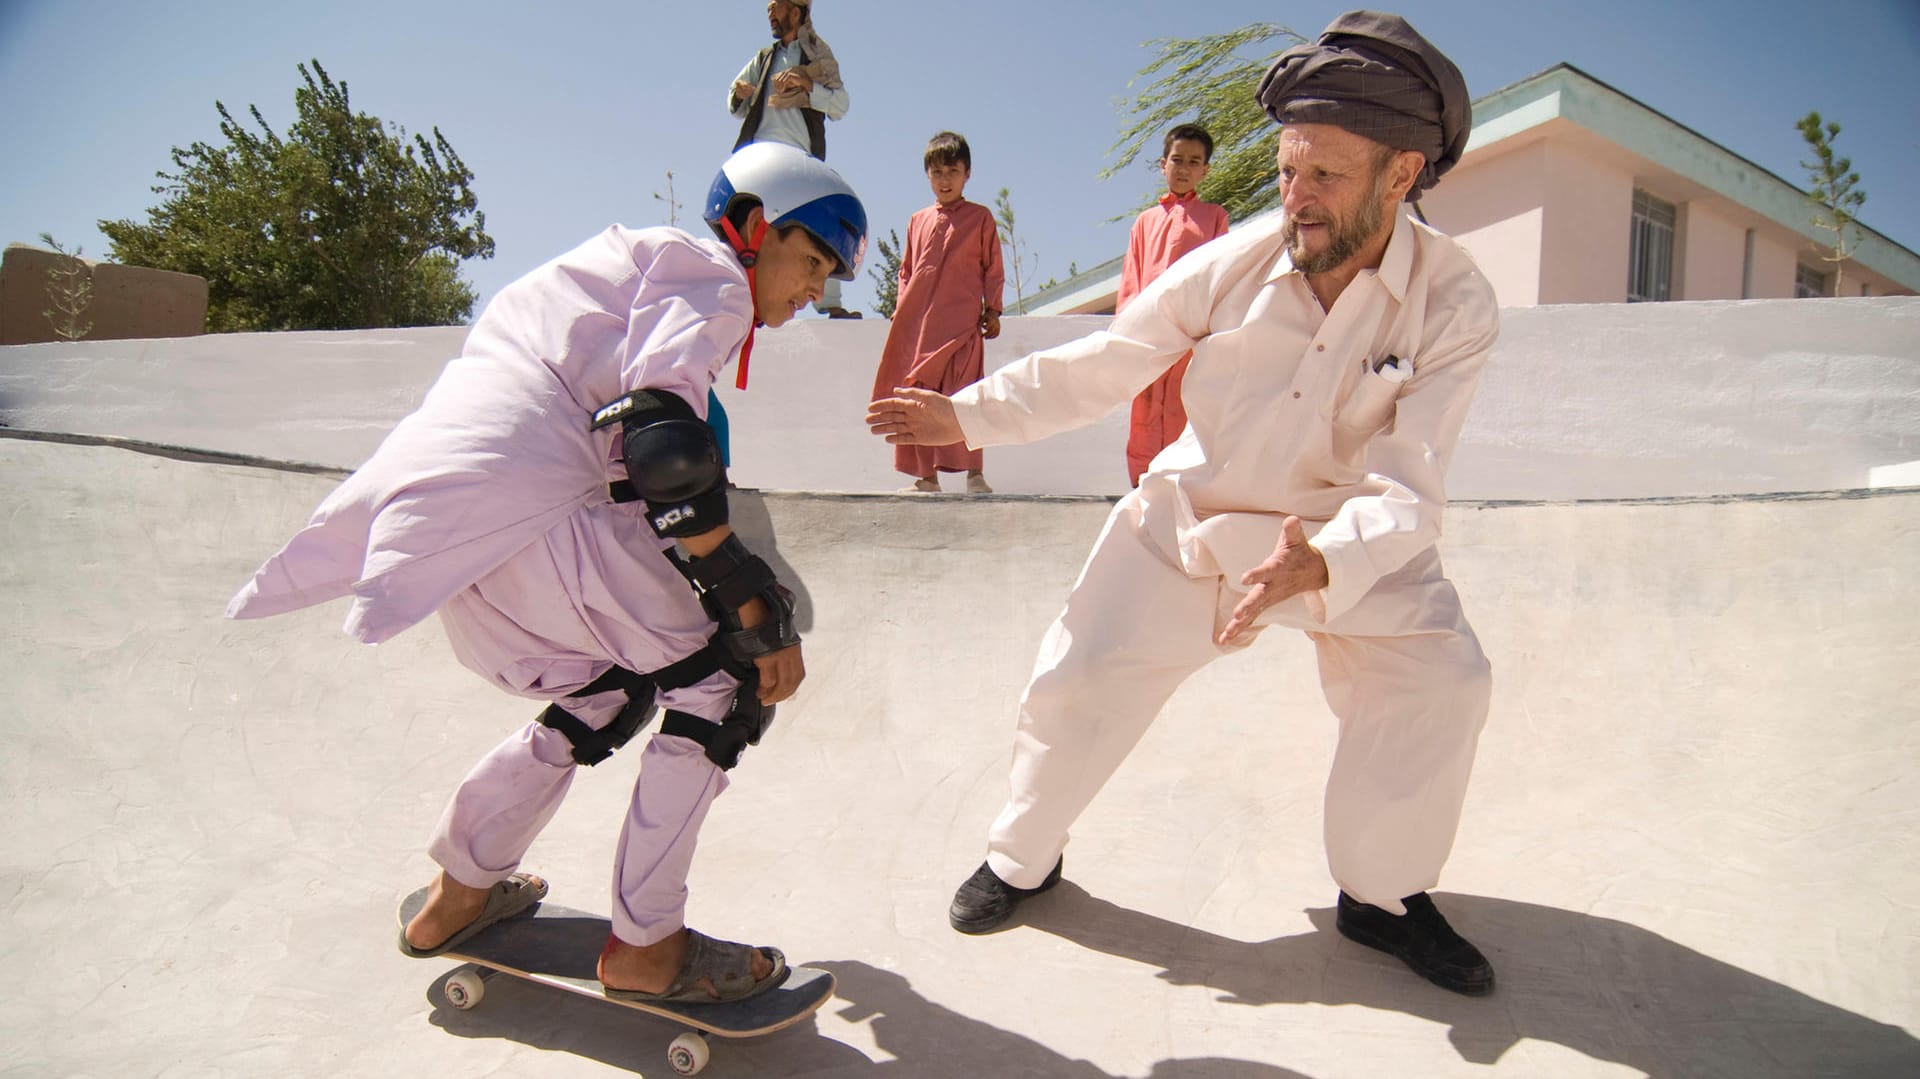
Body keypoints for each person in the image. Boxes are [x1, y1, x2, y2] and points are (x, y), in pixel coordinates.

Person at [866, 11, 1500, 996]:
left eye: (1326, 175)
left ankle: (1381, 895)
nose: (1298, 197)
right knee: (1077, 676)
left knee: (1443, 679)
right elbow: (1113, 357)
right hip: (1195, 519)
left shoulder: (1456, 301)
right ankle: (1021, 859)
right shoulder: (1239, 258)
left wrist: (1326, 560)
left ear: (1404, 174)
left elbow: (1412, 484)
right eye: (1289, 171)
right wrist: (964, 415)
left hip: (1346, 542)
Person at [228, 142, 867, 1004]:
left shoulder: (602, 275)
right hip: (540, 517)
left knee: (603, 691)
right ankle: (649, 947)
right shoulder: (711, 273)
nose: (815, 289)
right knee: (725, 680)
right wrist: (745, 593)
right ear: (755, 227)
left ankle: (457, 893)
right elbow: (662, 444)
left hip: (458, 545)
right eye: (813, 259)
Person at [871, 131, 1005, 494]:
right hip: (922, 331)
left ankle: (974, 475)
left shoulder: (980, 218)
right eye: (937, 172)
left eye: (952, 171)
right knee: (918, 399)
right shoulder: (918, 220)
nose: (945, 180)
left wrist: (993, 309)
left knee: (967, 398)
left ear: (967, 174)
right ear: (927, 175)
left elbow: (993, 267)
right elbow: (907, 272)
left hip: (963, 326)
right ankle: (926, 477)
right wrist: (903, 316)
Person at [729, 0, 857, 318]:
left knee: (815, 231)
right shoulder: (764, 58)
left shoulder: (817, 55)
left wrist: (807, 85)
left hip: (798, 162)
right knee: (743, 225)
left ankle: (830, 304)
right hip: (759, 159)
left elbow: (840, 104)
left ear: (796, 12)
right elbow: (734, 102)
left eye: (776, 7)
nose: (770, 13)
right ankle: (730, 290)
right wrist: (741, 94)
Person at [1119, 123, 1230, 487]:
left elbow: (1221, 275)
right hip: (1151, 332)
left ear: (1205, 170)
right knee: (1146, 407)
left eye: (1193, 162)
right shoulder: (1145, 222)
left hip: (1193, 332)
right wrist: (1128, 328)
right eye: (1177, 160)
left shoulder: (1215, 217)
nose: (1183, 169)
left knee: (1187, 406)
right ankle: (1142, 483)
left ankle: (1183, 485)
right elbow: (1132, 279)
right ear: (1163, 164)